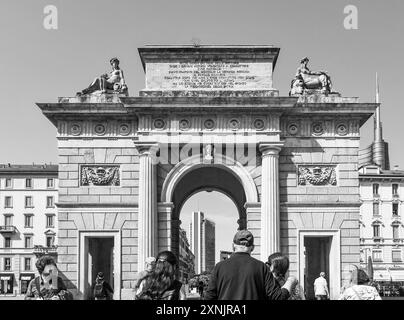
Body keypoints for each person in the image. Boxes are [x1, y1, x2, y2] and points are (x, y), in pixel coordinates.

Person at [204, 230, 297, 300]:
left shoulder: (219, 267)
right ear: (252, 248)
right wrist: (291, 280)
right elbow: (277, 297)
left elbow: (209, 298)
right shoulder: (262, 268)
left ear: (233, 246)